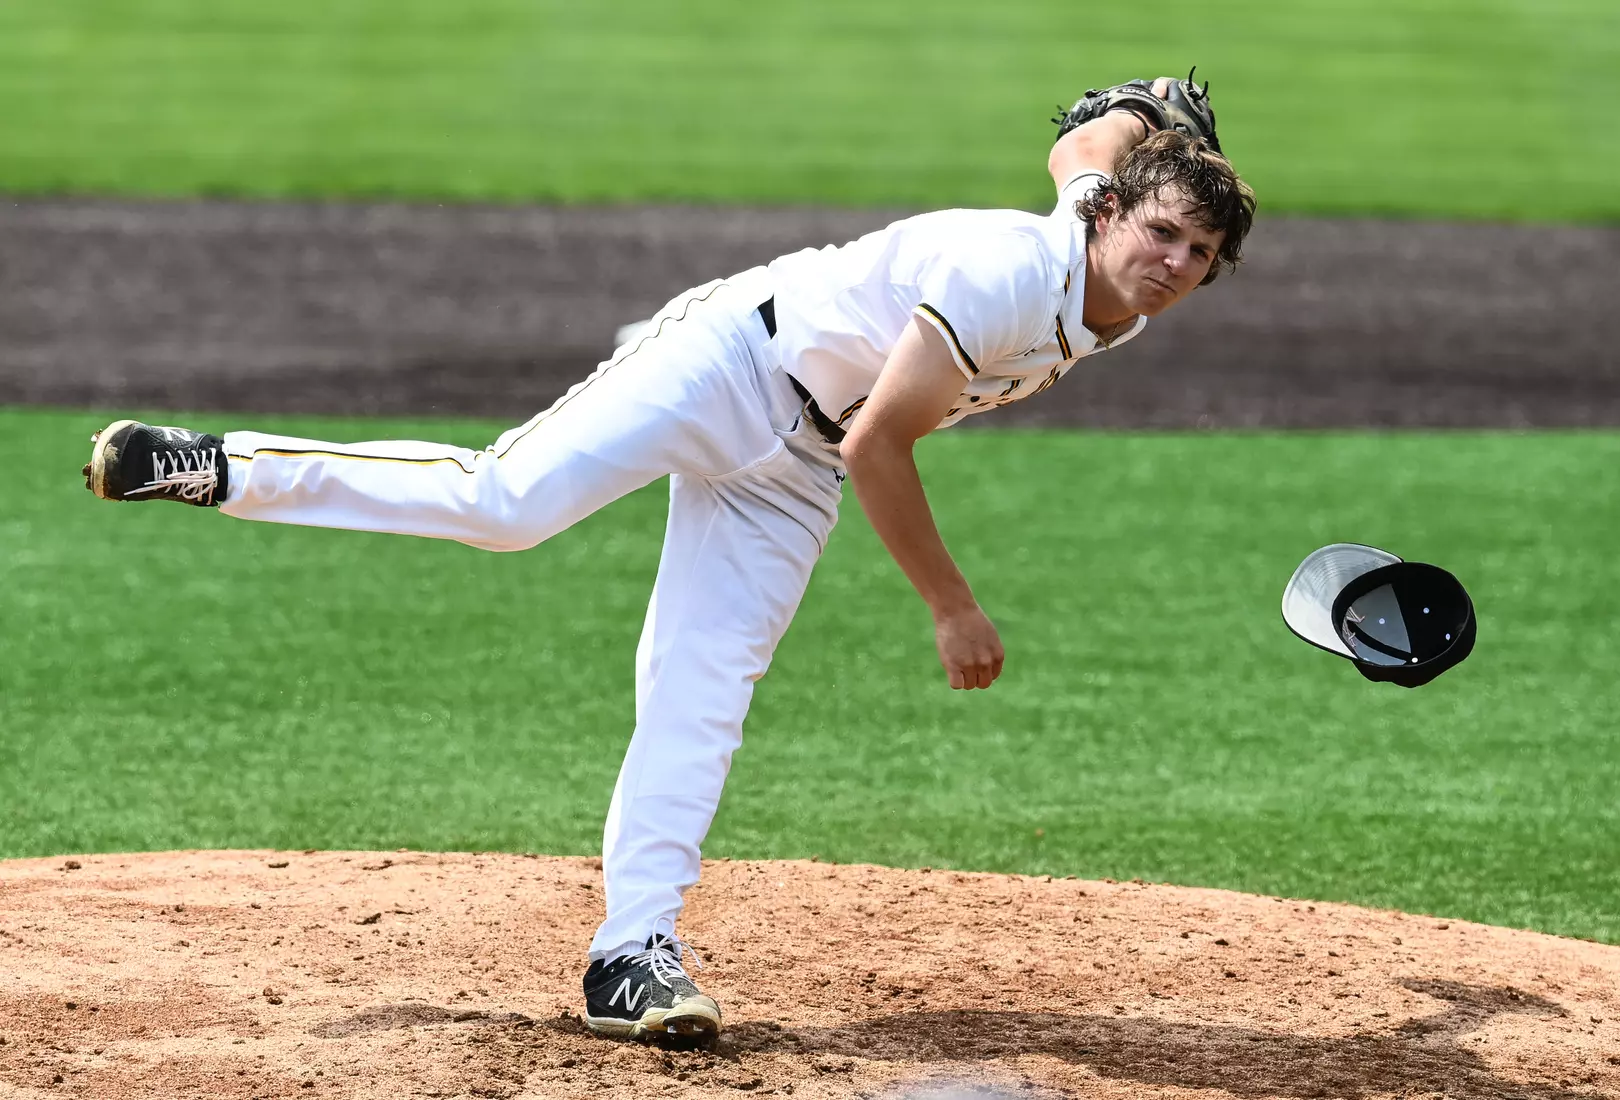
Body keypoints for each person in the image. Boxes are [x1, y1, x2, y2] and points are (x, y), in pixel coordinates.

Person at [80, 77, 1254, 1047]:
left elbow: (1086, 143)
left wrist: (1150, 119)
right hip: (727, 366)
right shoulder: (1011, 274)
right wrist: (951, 605)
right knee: (507, 502)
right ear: (1113, 222)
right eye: (1160, 231)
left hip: (794, 468)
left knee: (704, 684)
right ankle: (217, 465)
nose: (1172, 259)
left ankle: (630, 951)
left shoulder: (1108, 251)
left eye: (1199, 252)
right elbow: (880, 441)